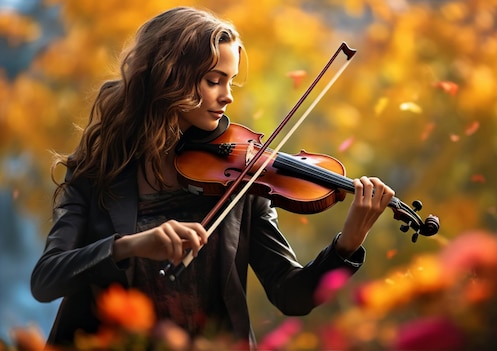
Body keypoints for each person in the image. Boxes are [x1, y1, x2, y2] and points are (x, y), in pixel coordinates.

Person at [30, 6, 395, 350]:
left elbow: (290, 294)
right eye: (214, 81)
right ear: (170, 76)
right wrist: (129, 245)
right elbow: (46, 280)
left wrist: (347, 244)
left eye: (231, 81)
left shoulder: (242, 179)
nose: (227, 97)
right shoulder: (99, 169)